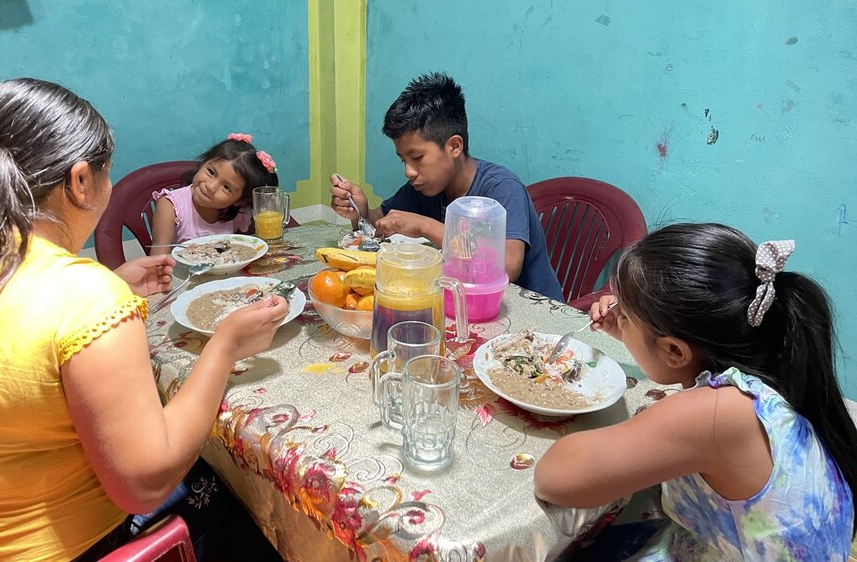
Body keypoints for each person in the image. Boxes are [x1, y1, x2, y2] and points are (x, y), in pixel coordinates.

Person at [0, 79, 289, 560]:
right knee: (245, 491)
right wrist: (225, 347)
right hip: (73, 547)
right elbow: (145, 484)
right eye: (108, 173)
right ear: (81, 181)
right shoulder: (85, 297)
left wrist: (111, 281)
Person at [534, 223, 856, 560]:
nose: (615, 315)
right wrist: (633, 332)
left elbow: (554, 479)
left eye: (625, 316)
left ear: (675, 351)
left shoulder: (716, 413)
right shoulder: (770, 362)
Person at [330, 72, 563, 301]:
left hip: (530, 316)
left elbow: (507, 267)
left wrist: (424, 226)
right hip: (465, 304)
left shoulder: (501, 189)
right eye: (404, 160)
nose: (408, 171)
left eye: (417, 157)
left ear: (454, 146)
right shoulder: (425, 187)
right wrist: (360, 212)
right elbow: (381, 223)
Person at [150, 133, 278, 254]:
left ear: (239, 200)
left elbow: (251, 247)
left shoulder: (240, 214)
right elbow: (158, 257)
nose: (211, 187)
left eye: (226, 187)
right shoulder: (170, 206)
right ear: (203, 163)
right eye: (211, 172)